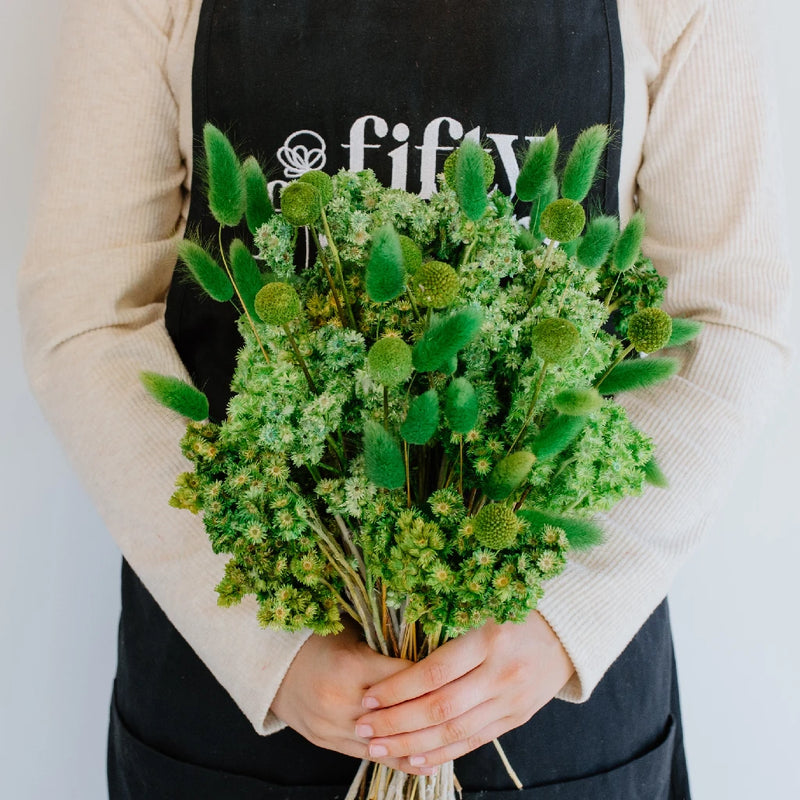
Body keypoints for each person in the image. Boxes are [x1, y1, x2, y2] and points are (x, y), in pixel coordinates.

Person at [18, 0, 790, 797]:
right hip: (235, 693)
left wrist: (564, 621)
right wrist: (266, 646)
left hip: (550, 704)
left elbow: (729, 318)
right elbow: (89, 315)